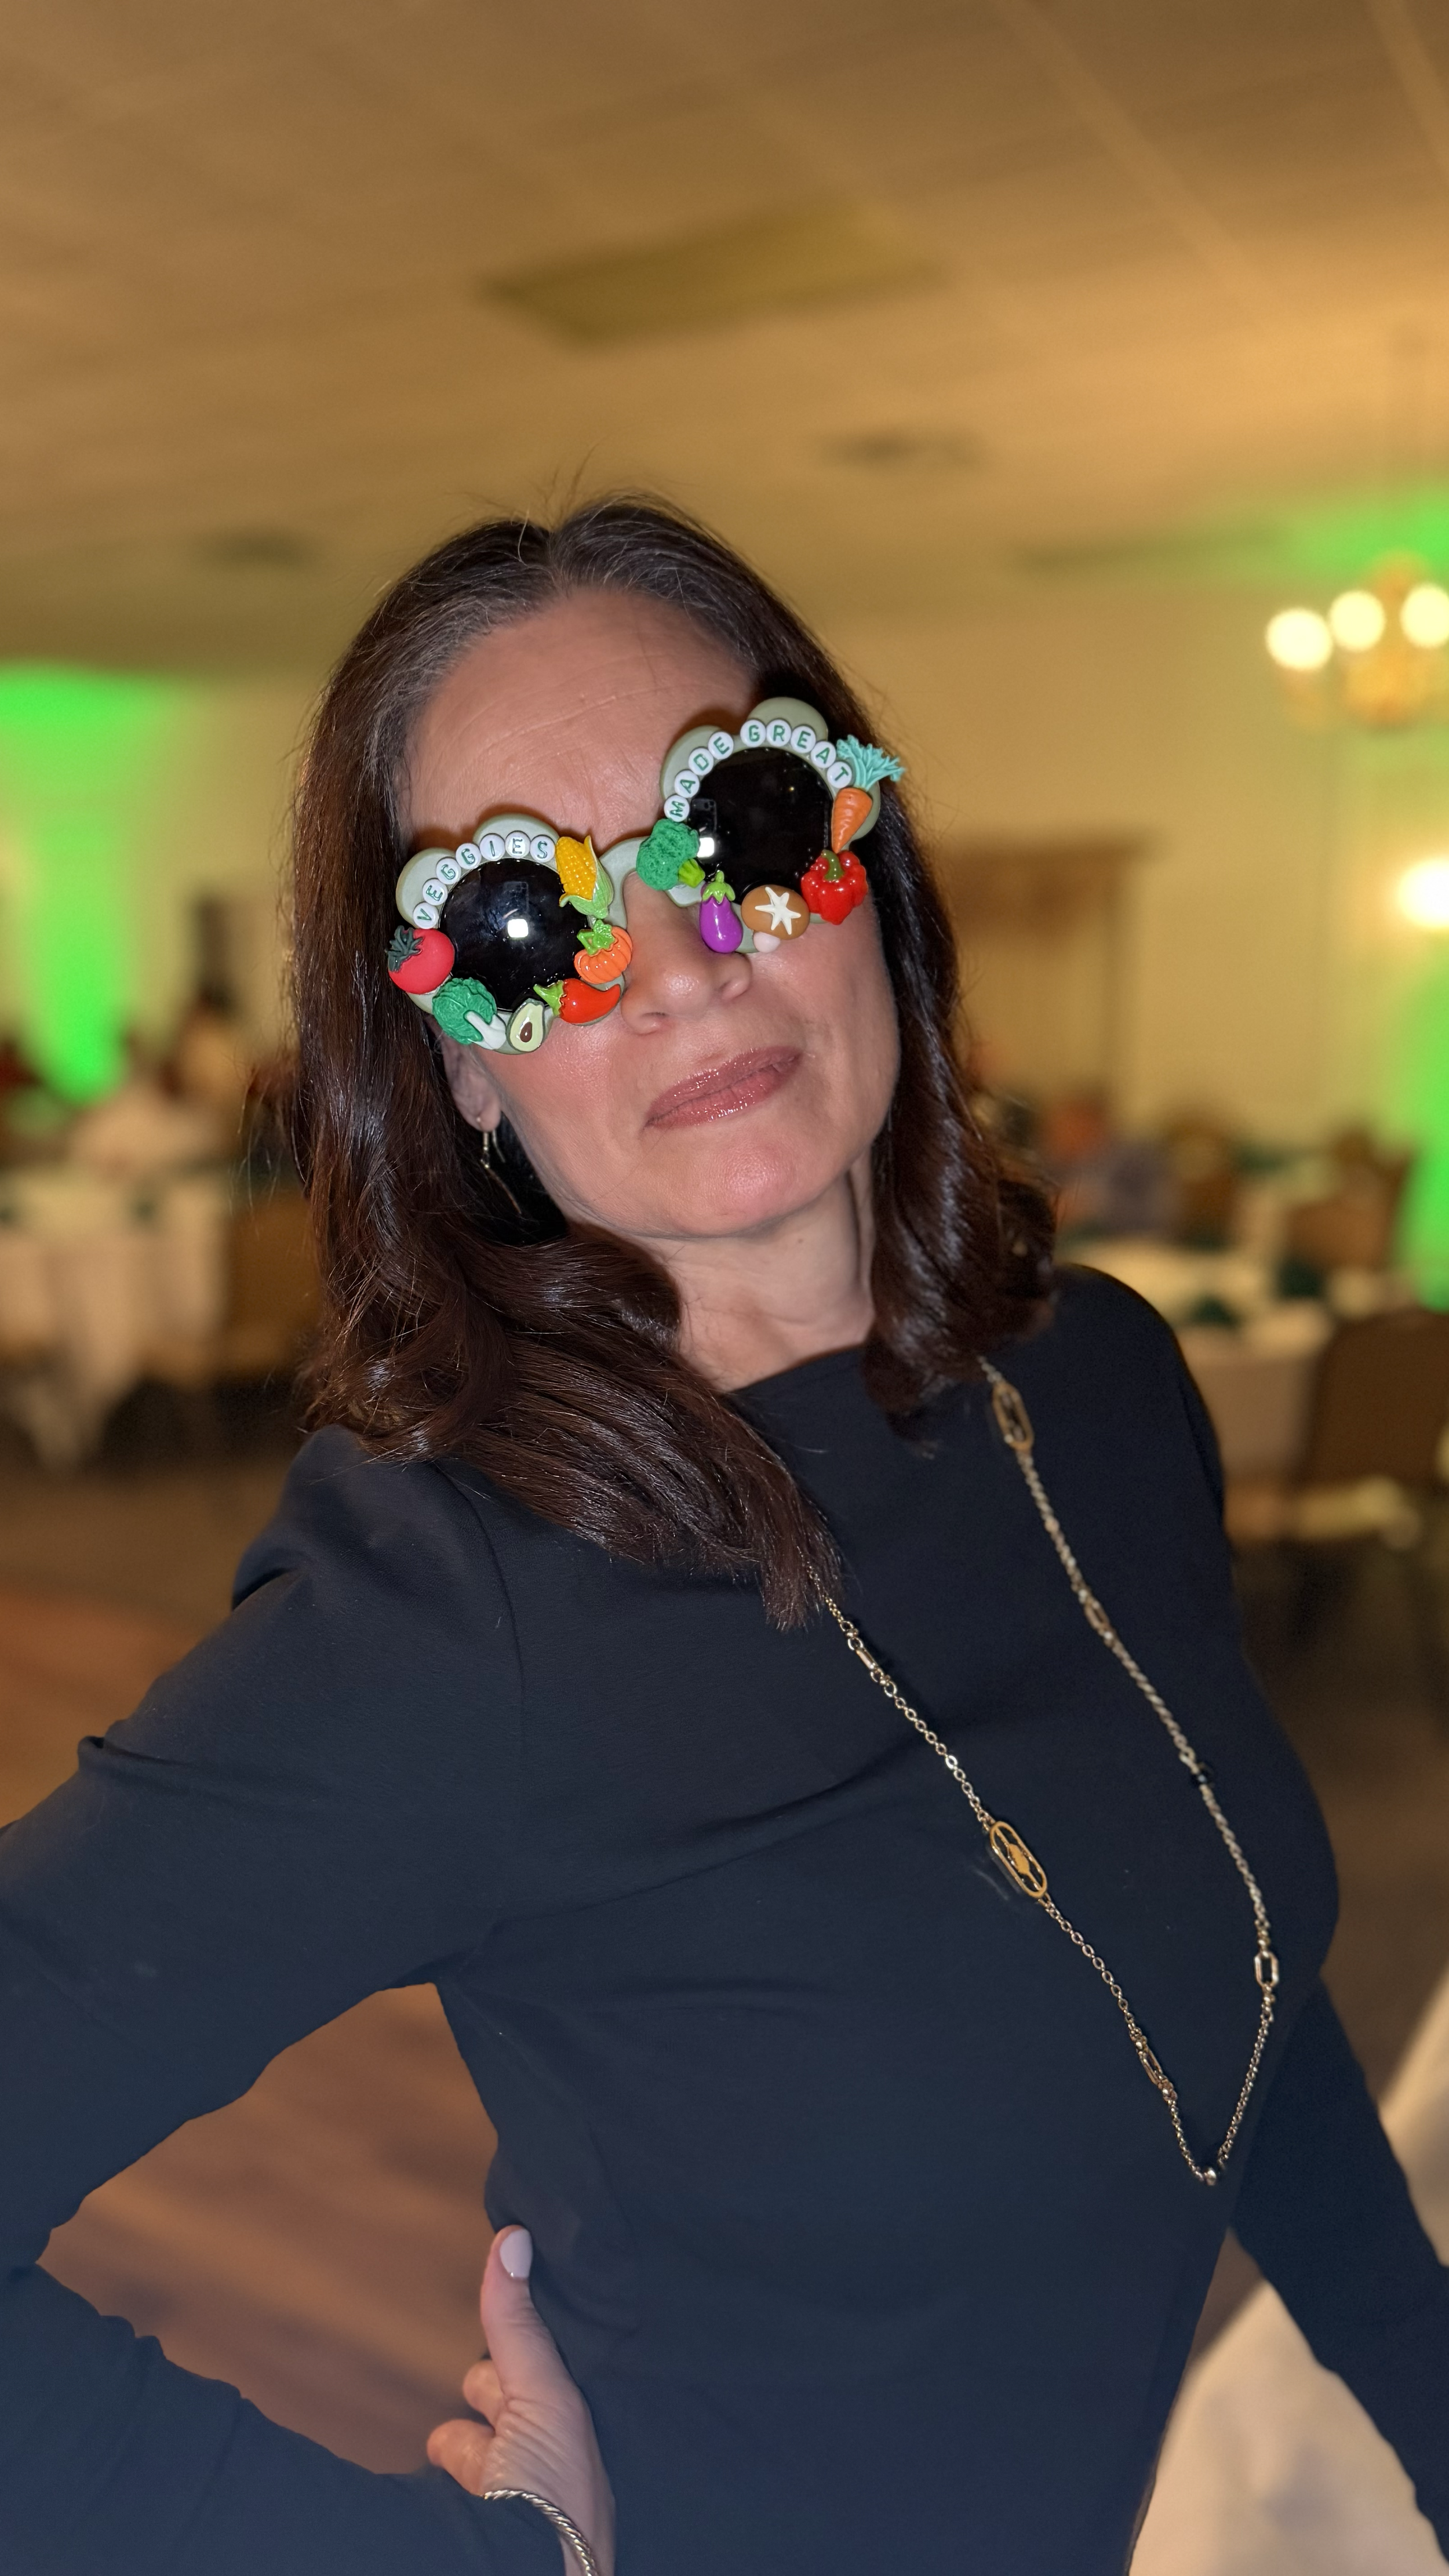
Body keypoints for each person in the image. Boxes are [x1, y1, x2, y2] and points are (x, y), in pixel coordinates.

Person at [1, 500, 1446, 2576]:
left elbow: (1218, 1963)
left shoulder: (1102, 1389)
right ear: (463, 1075)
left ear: (868, 870)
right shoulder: (452, 1617)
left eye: (743, 823)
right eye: (520, 920)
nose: (681, 962)